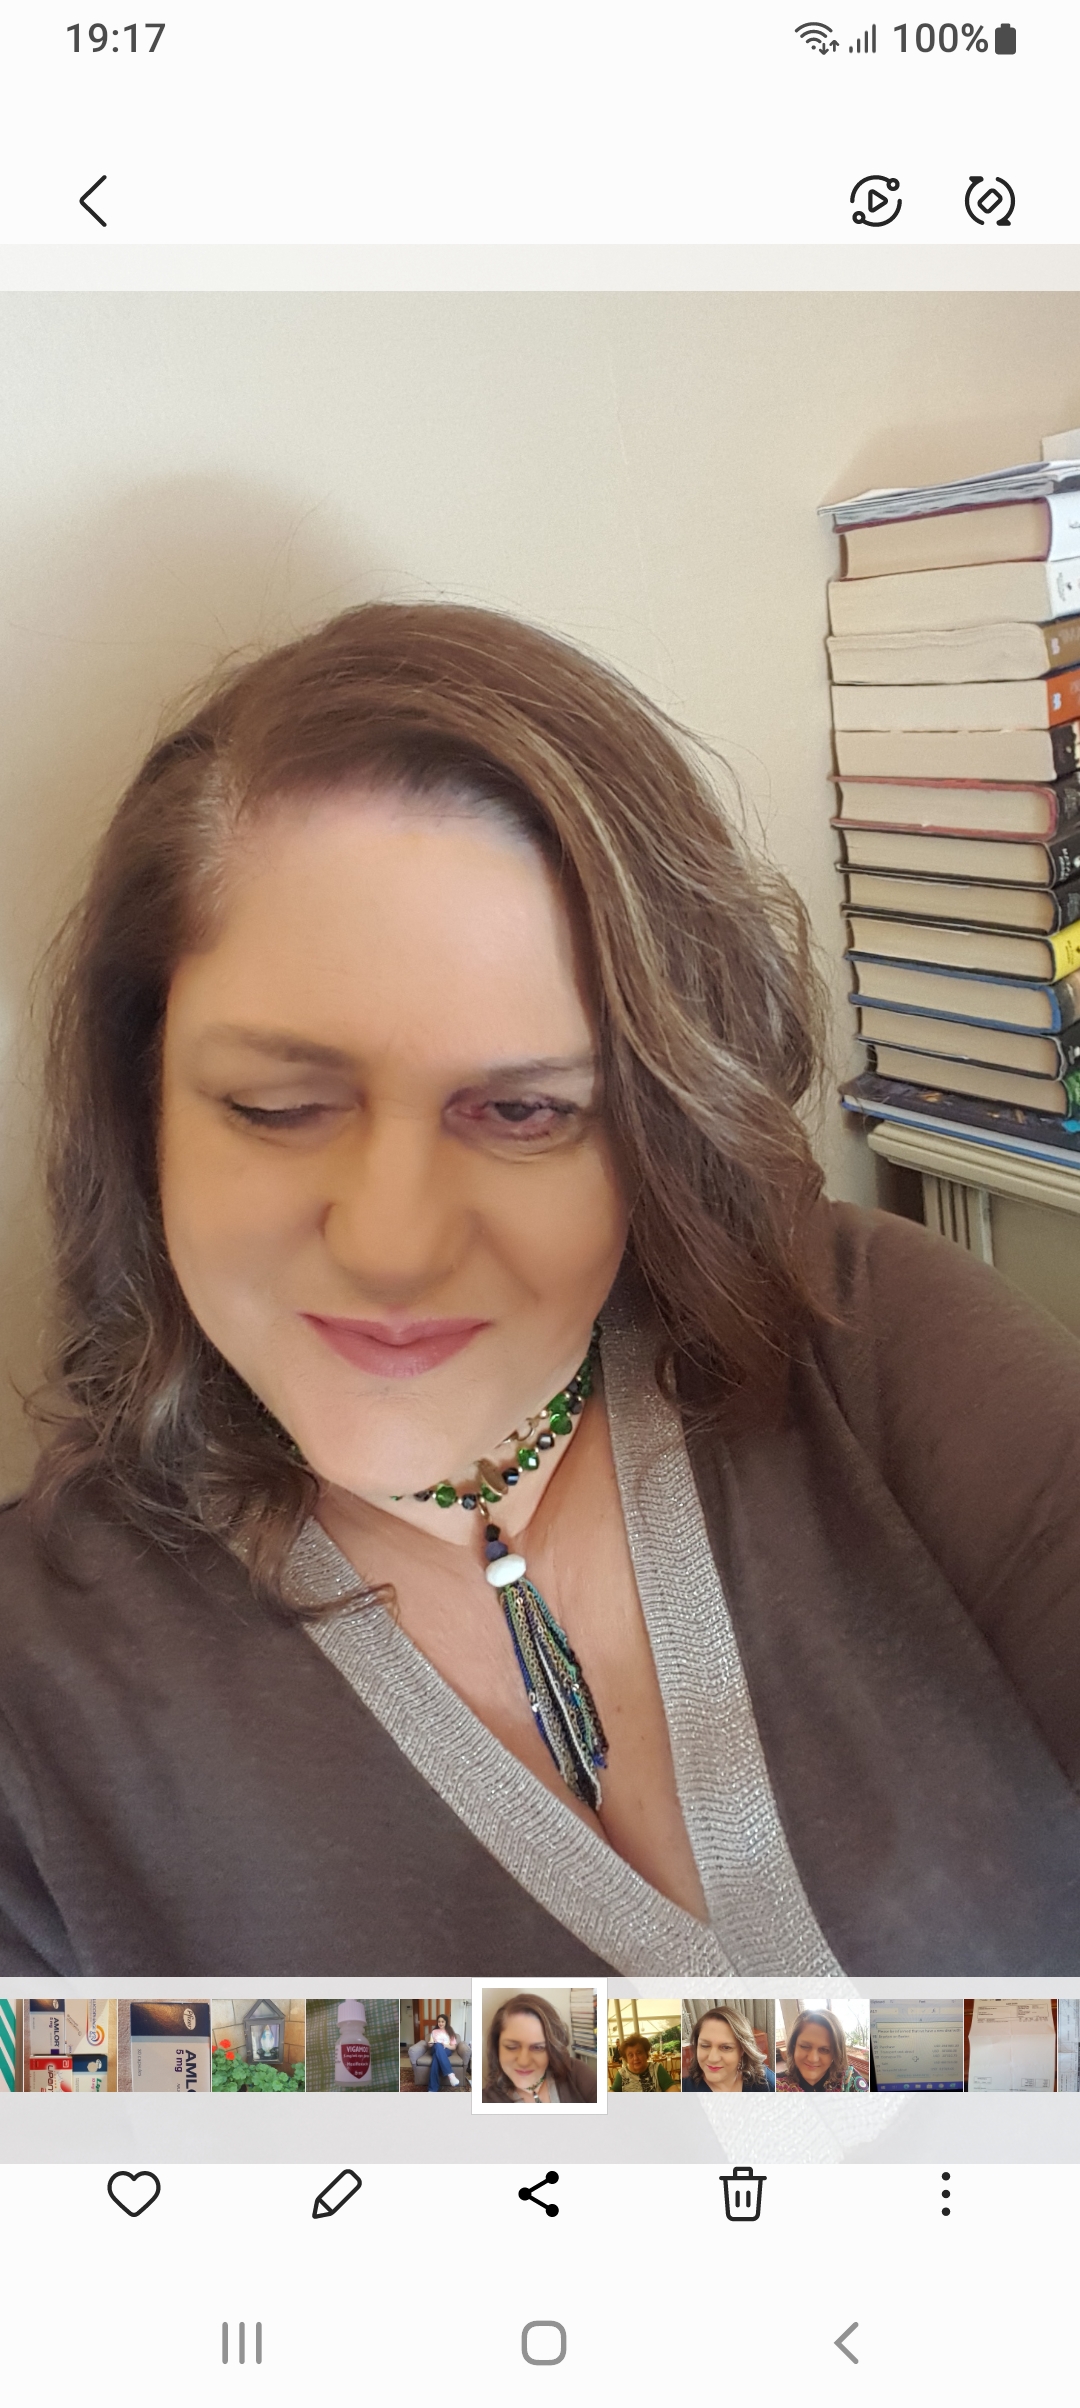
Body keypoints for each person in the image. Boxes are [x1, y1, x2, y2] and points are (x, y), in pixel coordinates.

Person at [1, 600, 1079, 1978]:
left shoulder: (870, 1343)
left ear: (656, 1125)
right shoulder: (39, 1699)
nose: (392, 1244)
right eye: (277, 1106)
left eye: (523, 1112)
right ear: (142, 1098)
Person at [482, 1992, 596, 2103]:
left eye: (538, 2048)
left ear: (552, 2049)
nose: (523, 2062)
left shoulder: (576, 2074)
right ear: (497, 2046)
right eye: (511, 2047)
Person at [682, 2007, 774, 2093]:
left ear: (742, 2050)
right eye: (705, 2046)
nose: (712, 2059)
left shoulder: (764, 2081)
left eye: (726, 2047)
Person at [776, 2007, 868, 2093]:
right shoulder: (776, 2086)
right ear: (793, 2046)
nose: (812, 2059)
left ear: (835, 2054)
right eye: (805, 2046)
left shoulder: (850, 2081)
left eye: (824, 2050)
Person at [427, 2010, 461, 2091]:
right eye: (439, 2021)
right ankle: (451, 2075)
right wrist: (430, 2044)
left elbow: (454, 2047)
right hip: (435, 2048)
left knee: (435, 2059)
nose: (440, 2023)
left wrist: (446, 2045)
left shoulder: (450, 2032)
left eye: (442, 2021)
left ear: (446, 2022)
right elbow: (430, 2044)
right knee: (438, 2045)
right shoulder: (434, 2031)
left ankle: (432, 2089)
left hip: (446, 2050)